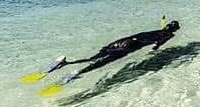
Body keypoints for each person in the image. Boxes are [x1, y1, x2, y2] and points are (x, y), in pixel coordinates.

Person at [37, 16, 180, 85]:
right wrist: (155, 52)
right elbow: (156, 46)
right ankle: (76, 72)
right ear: (174, 30)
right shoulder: (167, 34)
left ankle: (63, 63)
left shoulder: (158, 30)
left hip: (120, 42)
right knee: (99, 63)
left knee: (93, 58)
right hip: (128, 47)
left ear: (166, 25)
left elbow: (154, 36)